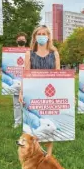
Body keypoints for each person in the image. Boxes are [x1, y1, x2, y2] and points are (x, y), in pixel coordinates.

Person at [19, 25, 60, 155]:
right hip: (34, 93)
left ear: (48, 37)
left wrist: (65, 93)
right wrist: (21, 92)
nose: (42, 36)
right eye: (39, 34)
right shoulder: (29, 54)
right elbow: (25, 74)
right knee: (34, 122)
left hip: (50, 93)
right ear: (35, 37)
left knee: (49, 119)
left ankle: (48, 155)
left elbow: (59, 76)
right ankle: (34, 152)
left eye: (44, 34)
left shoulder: (55, 54)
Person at [12, 32, 28, 128]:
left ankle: (27, 122)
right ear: (16, 41)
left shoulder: (29, 52)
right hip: (16, 80)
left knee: (27, 103)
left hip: (27, 80)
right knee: (16, 103)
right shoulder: (11, 53)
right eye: (20, 39)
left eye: (23, 39)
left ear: (25, 41)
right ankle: (17, 122)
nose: (21, 41)